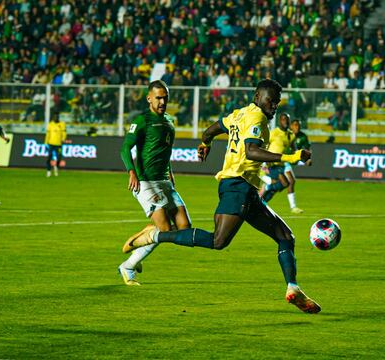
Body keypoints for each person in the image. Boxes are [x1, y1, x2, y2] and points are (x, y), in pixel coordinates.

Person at [122, 79, 320, 313]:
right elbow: (252, 151)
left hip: (246, 190)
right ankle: (155, 236)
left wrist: (205, 142)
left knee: (286, 236)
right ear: (258, 97)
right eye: (270, 100)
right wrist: (291, 156)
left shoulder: (238, 114)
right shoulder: (256, 117)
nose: (274, 105)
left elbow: (212, 129)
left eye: (277, 102)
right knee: (218, 241)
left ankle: (293, 287)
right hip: (237, 186)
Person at [118, 80, 192, 286]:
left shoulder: (169, 121)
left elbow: (164, 151)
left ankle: (146, 235)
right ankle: (128, 266)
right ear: (149, 98)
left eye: (165, 98)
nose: (162, 102)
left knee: (184, 228)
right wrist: (131, 172)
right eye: (158, 98)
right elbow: (125, 148)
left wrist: (171, 172)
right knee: (165, 230)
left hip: (164, 180)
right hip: (146, 182)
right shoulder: (142, 121)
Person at [259, 113, 304, 213]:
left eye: (287, 120)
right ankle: (267, 190)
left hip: (282, 163)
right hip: (271, 163)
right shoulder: (274, 132)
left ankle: (262, 203)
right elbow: (264, 144)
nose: (285, 122)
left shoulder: (290, 135)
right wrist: (263, 160)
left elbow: (293, 148)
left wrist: (299, 155)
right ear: (280, 121)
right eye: (283, 119)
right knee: (285, 183)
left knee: (282, 185)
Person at [44, 112, 69, 177]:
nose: (56, 118)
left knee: (59, 158)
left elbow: (64, 133)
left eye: (57, 117)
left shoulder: (62, 124)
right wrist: (46, 142)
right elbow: (48, 134)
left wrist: (63, 139)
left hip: (58, 144)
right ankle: (49, 171)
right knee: (49, 157)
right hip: (51, 143)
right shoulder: (50, 124)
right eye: (55, 117)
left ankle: (56, 168)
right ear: (53, 117)